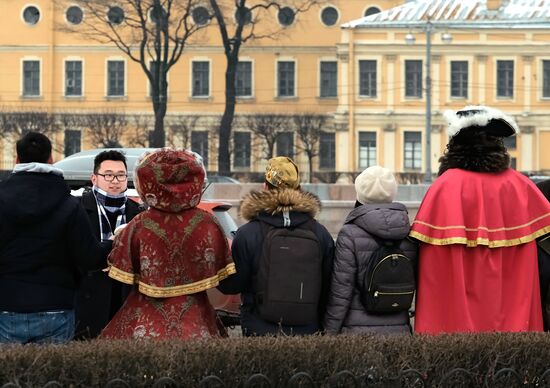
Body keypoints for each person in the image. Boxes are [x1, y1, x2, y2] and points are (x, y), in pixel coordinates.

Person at [411, 106, 550, 334]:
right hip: (515, 322)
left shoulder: (445, 187)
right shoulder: (520, 185)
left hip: (455, 329)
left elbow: (432, 270)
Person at [100, 149, 235, 339]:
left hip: (145, 326)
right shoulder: (208, 223)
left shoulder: (138, 225)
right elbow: (226, 278)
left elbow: (118, 272)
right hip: (197, 324)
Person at [0, 132, 112, 344]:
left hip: (6, 306)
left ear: (16, 160)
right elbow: (90, 258)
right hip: (56, 307)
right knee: (53, 375)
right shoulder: (69, 205)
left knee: (8, 375)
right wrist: (112, 242)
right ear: (51, 159)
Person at [218, 156, 334, 336]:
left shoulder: (248, 234)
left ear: (265, 186)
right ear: (299, 189)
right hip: (308, 331)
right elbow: (329, 287)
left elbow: (232, 286)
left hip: (260, 330)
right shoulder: (321, 234)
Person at [324, 166, 417, 334]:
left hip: (358, 335)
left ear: (360, 193)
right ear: (393, 193)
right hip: (399, 331)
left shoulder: (350, 234)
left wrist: (329, 332)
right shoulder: (408, 233)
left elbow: (341, 291)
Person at [75, 150, 143, 339]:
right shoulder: (78, 207)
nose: (115, 180)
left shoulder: (137, 212)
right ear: (94, 178)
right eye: (108, 175)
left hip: (124, 297)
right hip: (87, 298)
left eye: (120, 175)